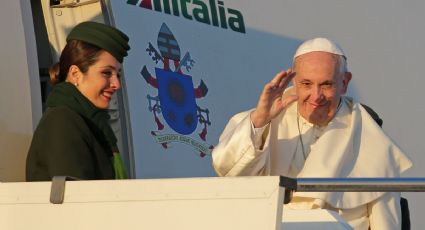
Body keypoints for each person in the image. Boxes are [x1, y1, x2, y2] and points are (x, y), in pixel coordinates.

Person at [212, 37, 412, 230]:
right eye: (306, 84)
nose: (316, 97)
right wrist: (260, 120)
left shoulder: (370, 135)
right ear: (294, 80)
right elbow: (229, 171)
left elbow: (386, 221)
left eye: (326, 84)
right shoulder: (263, 120)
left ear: (344, 82)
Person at [26, 21, 130, 181]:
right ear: (75, 74)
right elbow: (76, 201)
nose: (116, 84)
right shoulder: (63, 120)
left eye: (118, 74)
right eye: (106, 73)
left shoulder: (91, 122)